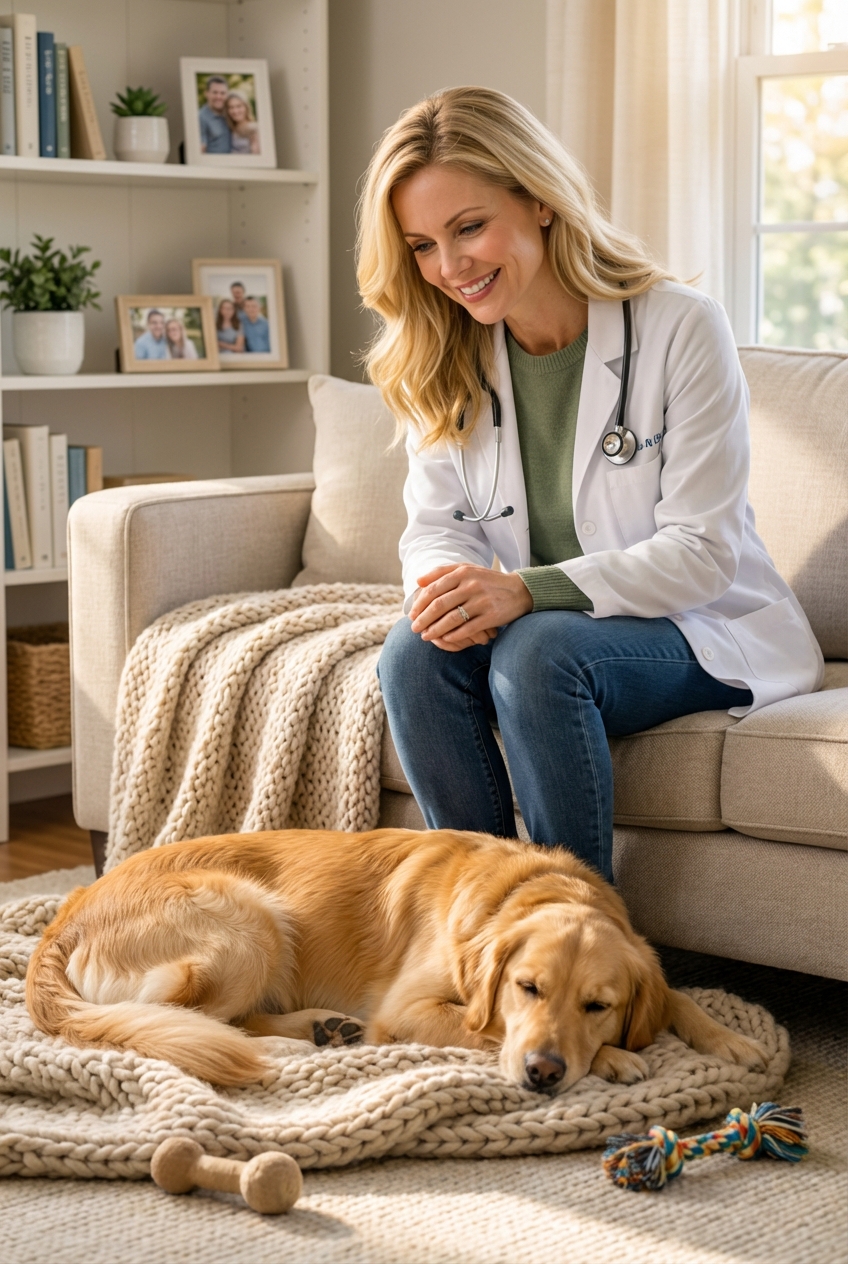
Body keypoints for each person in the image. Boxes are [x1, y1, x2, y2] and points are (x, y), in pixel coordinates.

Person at [358, 87, 823, 885]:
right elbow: (437, 529)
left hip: (697, 625)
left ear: (539, 200)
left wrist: (525, 592)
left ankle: (581, 943)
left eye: (469, 227)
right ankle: (479, 935)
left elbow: (702, 553)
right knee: (411, 656)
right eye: (423, 245)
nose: (449, 267)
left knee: (540, 652)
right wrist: (450, 595)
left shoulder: (679, 325)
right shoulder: (446, 351)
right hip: (539, 624)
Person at [198, 76, 231, 154]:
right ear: (207, 93)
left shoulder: (231, 112)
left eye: (222, 93)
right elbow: (201, 148)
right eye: (215, 92)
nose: (218, 97)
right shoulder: (201, 117)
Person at [225, 90, 260, 154]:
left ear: (246, 107)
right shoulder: (230, 128)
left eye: (239, 106)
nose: (235, 111)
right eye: (231, 107)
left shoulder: (254, 128)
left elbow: (256, 156)